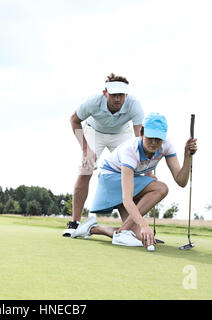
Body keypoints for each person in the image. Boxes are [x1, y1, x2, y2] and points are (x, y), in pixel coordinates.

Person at [71, 112, 198, 249]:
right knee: (161, 188)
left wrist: (187, 156)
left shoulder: (166, 146)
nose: (154, 142)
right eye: (150, 137)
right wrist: (144, 225)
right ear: (142, 133)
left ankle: (92, 228)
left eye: (158, 138)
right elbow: (127, 199)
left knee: (139, 238)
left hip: (127, 180)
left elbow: (181, 181)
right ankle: (121, 231)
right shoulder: (130, 151)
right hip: (110, 179)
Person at [63, 73, 146, 237]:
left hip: (121, 134)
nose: (117, 99)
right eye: (114, 95)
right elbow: (74, 120)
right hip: (94, 132)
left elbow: (140, 139)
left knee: (129, 173)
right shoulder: (93, 102)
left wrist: (146, 167)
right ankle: (75, 222)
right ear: (105, 93)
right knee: (86, 169)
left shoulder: (134, 105)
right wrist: (85, 150)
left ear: (126, 95)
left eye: (121, 95)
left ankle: (135, 227)